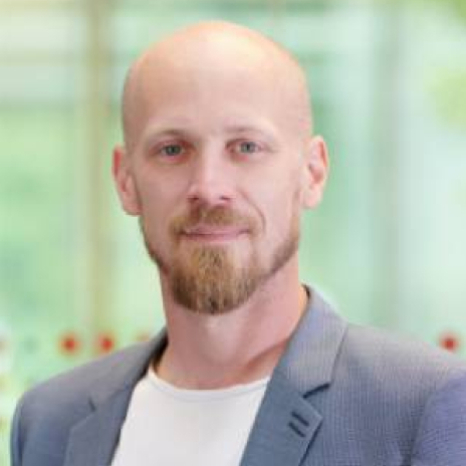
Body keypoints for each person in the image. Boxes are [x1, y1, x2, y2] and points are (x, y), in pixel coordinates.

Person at [10, 21, 466, 466]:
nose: (208, 187)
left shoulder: (422, 408)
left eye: (246, 147)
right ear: (126, 180)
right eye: (172, 149)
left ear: (312, 172)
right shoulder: (49, 421)